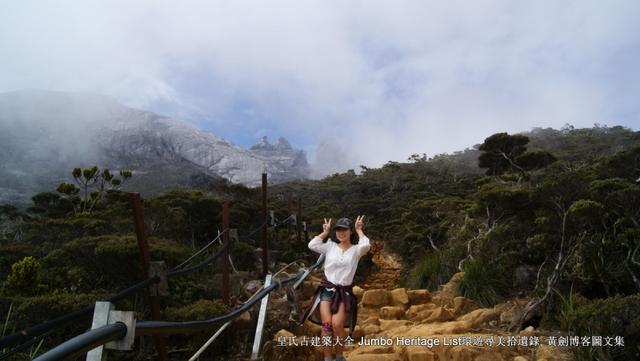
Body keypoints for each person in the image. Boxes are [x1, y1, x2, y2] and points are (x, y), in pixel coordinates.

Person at [300, 215, 371, 361]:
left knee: (337, 324)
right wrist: (325, 233)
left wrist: (359, 230)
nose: (341, 232)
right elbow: (312, 245)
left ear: (350, 231)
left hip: (343, 293)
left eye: (344, 229)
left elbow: (366, 245)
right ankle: (327, 358)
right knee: (327, 326)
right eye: (338, 229)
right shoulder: (330, 246)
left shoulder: (356, 250)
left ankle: (339, 356)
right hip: (327, 290)